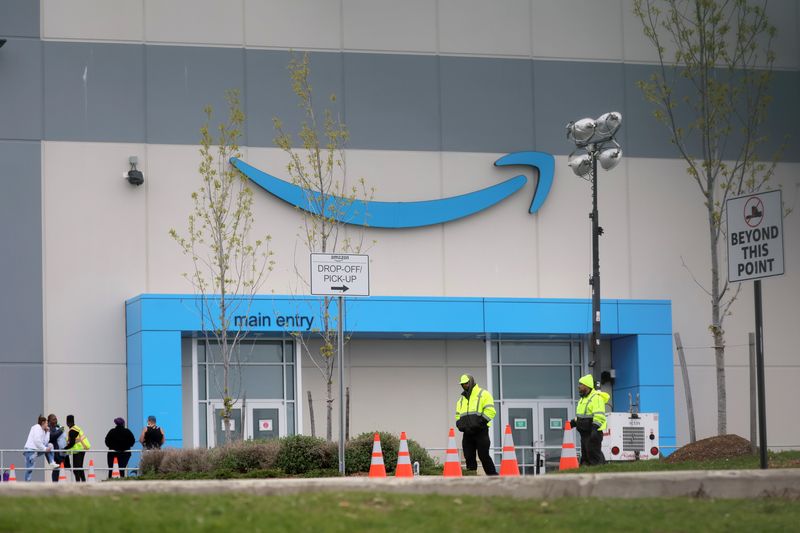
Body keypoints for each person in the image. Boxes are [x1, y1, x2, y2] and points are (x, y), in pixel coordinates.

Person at [454, 374, 498, 475]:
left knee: (483, 456)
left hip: (481, 431)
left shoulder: (483, 394)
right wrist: (459, 424)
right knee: (468, 456)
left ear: (471, 382)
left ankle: (494, 477)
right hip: (467, 433)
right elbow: (457, 415)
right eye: (463, 384)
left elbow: (491, 411)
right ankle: (471, 479)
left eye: (466, 383)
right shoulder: (461, 400)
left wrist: (480, 423)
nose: (465, 385)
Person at [570, 373, 607, 466]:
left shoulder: (596, 398)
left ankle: (600, 472)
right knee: (586, 455)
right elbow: (582, 416)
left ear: (587, 386)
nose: (579, 387)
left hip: (592, 432)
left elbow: (599, 415)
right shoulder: (583, 400)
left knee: (593, 455)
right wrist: (574, 422)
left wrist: (595, 429)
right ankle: (586, 472)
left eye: (581, 384)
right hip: (584, 433)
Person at [23, 415, 57, 481]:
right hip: (30, 450)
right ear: (43, 423)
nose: (48, 425)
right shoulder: (37, 427)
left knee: (50, 445)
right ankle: (26, 485)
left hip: (36, 450)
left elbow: (45, 442)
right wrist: (45, 449)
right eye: (47, 423)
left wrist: (48, 432)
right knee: (29, 469)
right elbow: (37, 441)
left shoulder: (43, 430)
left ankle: (52, 462)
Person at [64, 414, 91, 482]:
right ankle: (83, 482)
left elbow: (72, 443)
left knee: (76, 469)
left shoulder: (72, 431)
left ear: (67, 423)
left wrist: (64, 449)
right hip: (82, 449)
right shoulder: (77, 428)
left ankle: (78, 483)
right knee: (80, 467)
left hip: (77, 451)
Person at [47, 414, 67, 482]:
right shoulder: (49, 428)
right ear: (49, 421)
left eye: (56, 419)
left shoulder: (56, 427)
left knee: (60, 469)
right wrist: (60, 430)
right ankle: (55, 484)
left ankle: (59, 483)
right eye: (53, 419)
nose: (55, 420)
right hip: (55, 453)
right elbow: (52, 436)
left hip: (61, 453)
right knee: (56, 469)